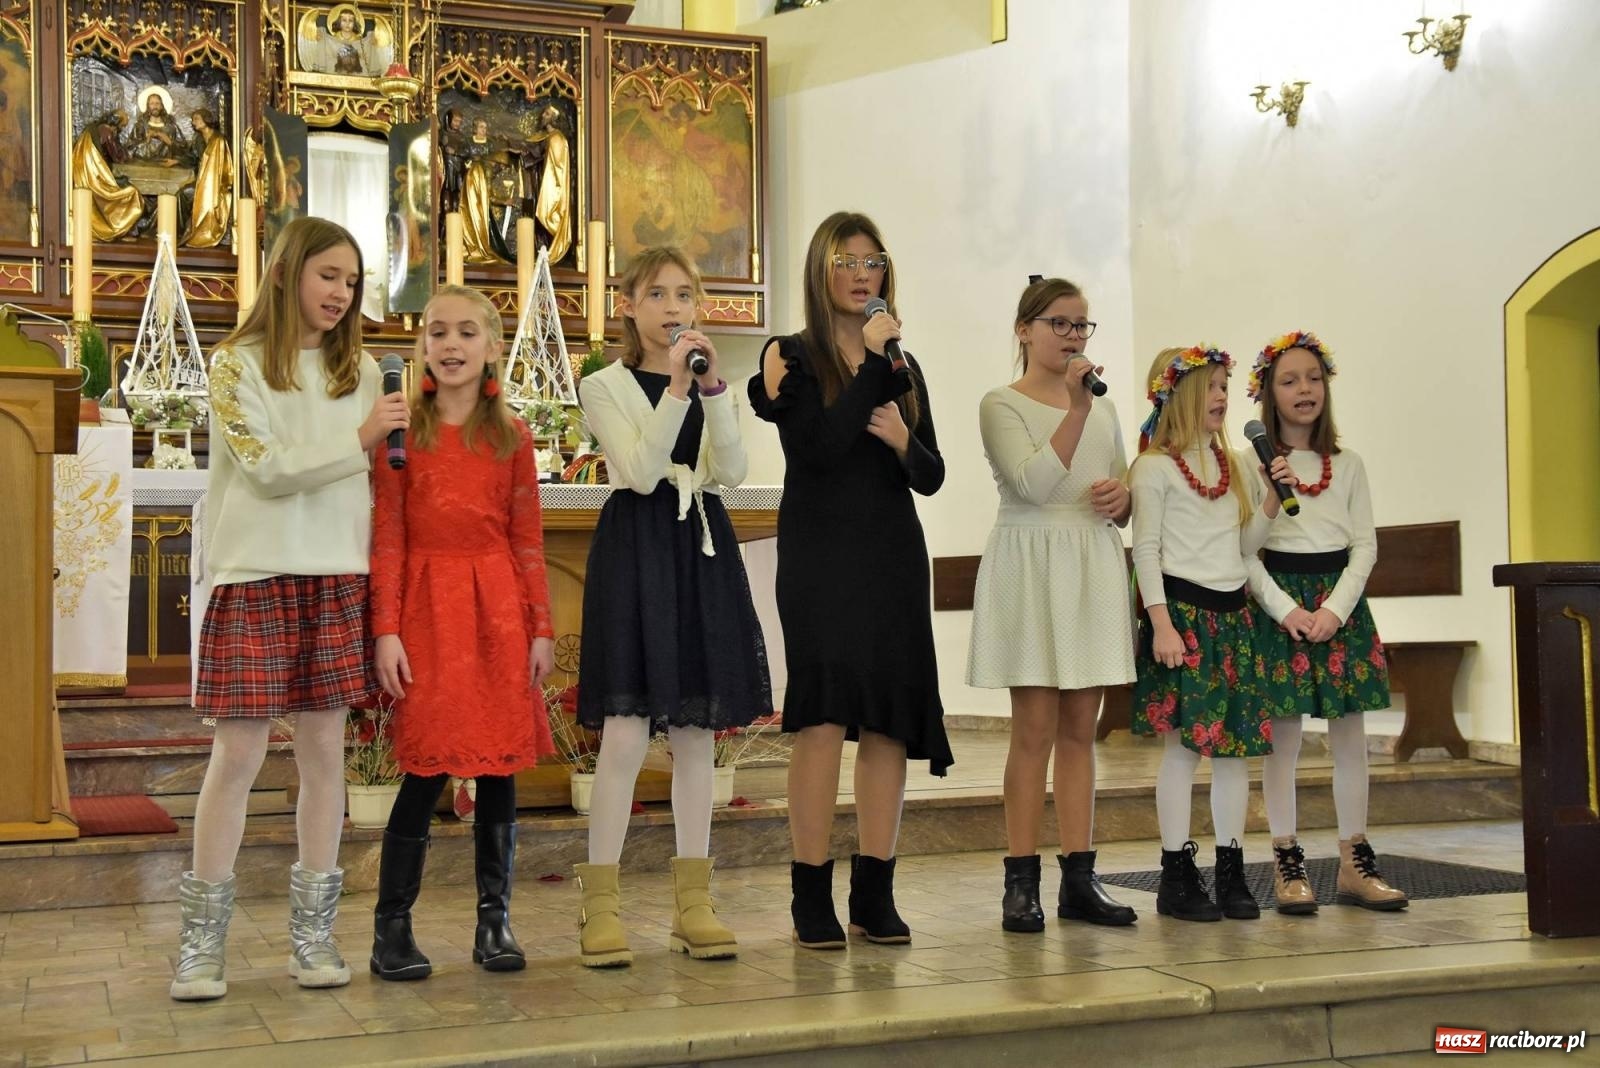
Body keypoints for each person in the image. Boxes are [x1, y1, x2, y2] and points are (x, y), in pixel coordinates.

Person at [170, 216, 408, 1001]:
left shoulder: (368, 373)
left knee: (323, 760)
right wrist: (361, 438)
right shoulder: (235, 365)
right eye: (328, 276)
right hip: (257, 573)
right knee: (237, 757)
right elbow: (266, 470)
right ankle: (201, 945)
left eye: (351, 281)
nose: (341, 293)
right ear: (285, 274)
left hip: (336, 576)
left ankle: (314, 936)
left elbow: (388, 482)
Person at [748, 211, 949, 950]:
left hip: (892, 552)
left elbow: (931, 474)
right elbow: (822, 450)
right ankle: (809, 891)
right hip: (821, 555)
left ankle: (876, 890)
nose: (863, 274)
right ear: (820, 272)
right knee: (825, 716)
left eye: (873, 261)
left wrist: (904, 443)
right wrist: (869, 367)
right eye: (847, 261)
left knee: (890, 719)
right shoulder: (790, 357)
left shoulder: (903, 363)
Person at [573, 246, 771, 967]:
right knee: (625, 735)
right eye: (656, 294)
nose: (672, 307)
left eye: (684, 294)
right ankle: (600, 906)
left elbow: (734, 472)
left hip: (699, 550)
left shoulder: (706, 380)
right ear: (628, 305)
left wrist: (716, 391)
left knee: (695, 735)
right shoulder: (606, 385)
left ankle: (694, 904)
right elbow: (643, 469)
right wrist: (679, 395)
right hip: (637, 552)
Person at [368, 285, 558, 980]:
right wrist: (385, 629)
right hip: (424, 609)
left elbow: (527, 538)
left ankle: (494, 920)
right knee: (425, 768)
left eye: (467, 333)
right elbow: (387, 538)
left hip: (496, 610)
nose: (450, 345)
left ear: (492, 348)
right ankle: (392, 928)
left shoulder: (511, 437)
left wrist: (541, 627)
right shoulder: (400, 433)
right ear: (422, 346)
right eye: (437, 332)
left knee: (499, 769)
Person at [967, 277, 1137, 933]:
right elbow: (1035, 483)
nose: (1071, 336)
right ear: (1024, 330)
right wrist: (1074, 408)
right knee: (1033, 729)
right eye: (1058, 324)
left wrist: (1124, 501)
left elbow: (1118, 486)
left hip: (1088, 562)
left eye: (1081, 325)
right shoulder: (1000, 403)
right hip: (1031, 560)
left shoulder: (1105, 408)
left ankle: (1080, 878)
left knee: (1079, 731)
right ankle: (1019, 881)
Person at [1246, 331, 1408, 914]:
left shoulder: (1349, 464)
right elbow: (1244, 552)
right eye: (1289, 380)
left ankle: (1354, 862)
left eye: (1313, 377)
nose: (1304, 389)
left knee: (1350, 742)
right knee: (1282, 744)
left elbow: (1364, 546)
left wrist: (1334, 611)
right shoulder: (1251, 464)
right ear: (1269, 393)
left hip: (1339, 603)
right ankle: (1287, 860)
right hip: (1281, 601)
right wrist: (1287, 609)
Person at [1128, 345, 1275, 922]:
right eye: (1212, 387)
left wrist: (1267, 500)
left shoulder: (1235, 464)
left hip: (1233, 619)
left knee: (1235, 755)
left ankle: (1233, 869)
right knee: (1185, 752)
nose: (1222, 397)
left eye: (1224, 386)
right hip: (1182, 618)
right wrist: (1160, 623)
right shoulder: (1154, 468)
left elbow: (1243, 547)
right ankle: (1175, 872)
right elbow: (1147, 550)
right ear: (1181, 395)